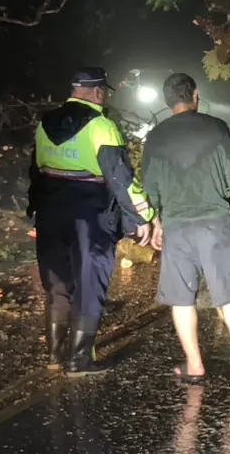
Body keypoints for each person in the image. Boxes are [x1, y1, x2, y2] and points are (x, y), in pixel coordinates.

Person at [28, 66, 154, 373]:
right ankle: (79, 359)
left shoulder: (45, 123)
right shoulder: (101, 126)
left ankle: (55, 357)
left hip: (50, 210)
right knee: (89, 282)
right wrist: (143, 216)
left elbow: (35, 169)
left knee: (57, 282)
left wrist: (33, 210)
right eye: (106, 92)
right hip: (90, 214)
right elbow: (121, 179)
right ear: (98, 92)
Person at [140, 73, 230, 384]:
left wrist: (155, 222)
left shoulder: (155, 137)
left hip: (177, 227)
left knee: (182, 299)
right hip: (215, 222)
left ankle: (194, 366)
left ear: (168, 102)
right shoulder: (215, 127)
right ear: (194, 96)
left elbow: (150, 185)